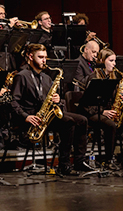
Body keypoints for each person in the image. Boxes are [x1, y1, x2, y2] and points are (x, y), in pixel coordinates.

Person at [10, 43, 90, 174]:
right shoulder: (22, 76)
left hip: (46, 116)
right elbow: (13, 101)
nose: (44, 60)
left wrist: (58, 100)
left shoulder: (46, 78)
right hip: (32, 118)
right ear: (30, 57)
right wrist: (26, 116)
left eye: (45, 57)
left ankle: (79, 161)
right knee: (68, 122)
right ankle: (64, 165)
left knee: (82, 120)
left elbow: (50, 100)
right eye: (40, 57)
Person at [78, 48, 123, 168]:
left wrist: (121, 98)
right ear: (102, 61)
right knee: (111, 125)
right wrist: (103, 111)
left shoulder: (113, 77)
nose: (114, 64)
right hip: (93, 113)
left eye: (115, 61)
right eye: (111, 60)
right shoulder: (93, 78)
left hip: (110, 112)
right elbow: (86, 104)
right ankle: (109, 159)